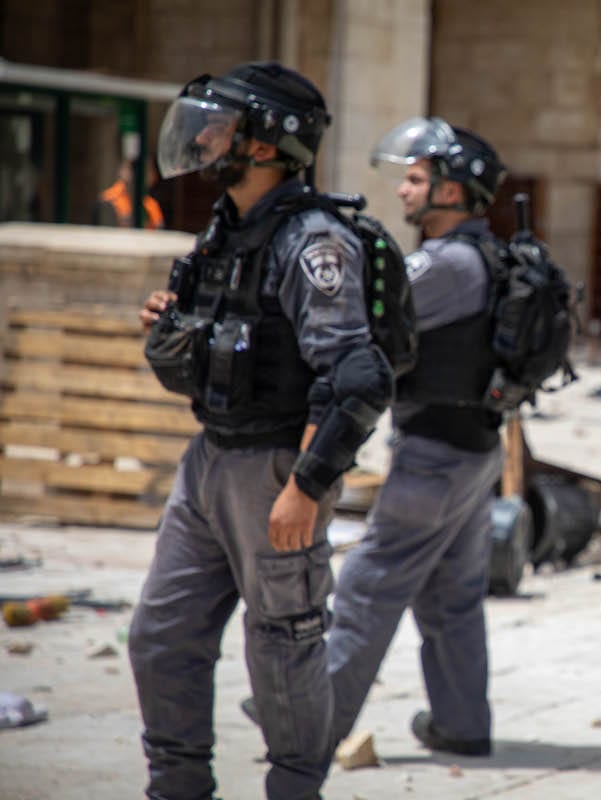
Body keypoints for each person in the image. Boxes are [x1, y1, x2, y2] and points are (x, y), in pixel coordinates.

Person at [131, 61, 393, 799]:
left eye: (222, 127)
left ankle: (295, 788)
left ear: (268, 144)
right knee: (161, 636)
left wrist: (306, 488)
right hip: (209, 459)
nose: (205, 139)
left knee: (282, 648)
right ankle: (177, 786)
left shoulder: (312, 241)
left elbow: (356, 379)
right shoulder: (228, 230)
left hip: (275, 469)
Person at [323, 117, 509, 756]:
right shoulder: (487, 255)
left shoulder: (447, 264)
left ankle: (312, 720)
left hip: (433, 457)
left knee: (367, 584)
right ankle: (462, 725)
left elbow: (357, 314)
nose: (403, 189)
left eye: (417, 179)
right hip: (473, 451)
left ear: (451, 191)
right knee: (452, 597)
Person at [93, 159, 164, 229]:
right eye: (127, 169)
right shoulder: (109, 198)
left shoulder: (150, 204)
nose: (128, 173)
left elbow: (159, 226)